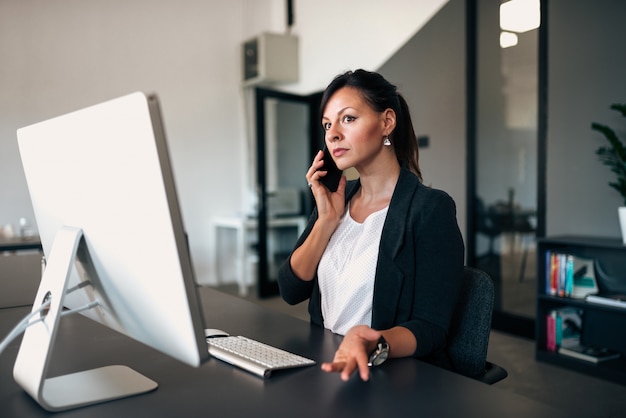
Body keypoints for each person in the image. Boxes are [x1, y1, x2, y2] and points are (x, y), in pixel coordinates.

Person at [277, 69, 464, 382]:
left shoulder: (429, 209)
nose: (333, 133)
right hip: (327, 363)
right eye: (327, 124)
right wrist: (326, 221)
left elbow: (432, 327)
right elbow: (290, 289)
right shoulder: (337, 199)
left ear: (387, 122)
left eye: (347, 118)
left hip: (383, 374)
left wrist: (373, 341)